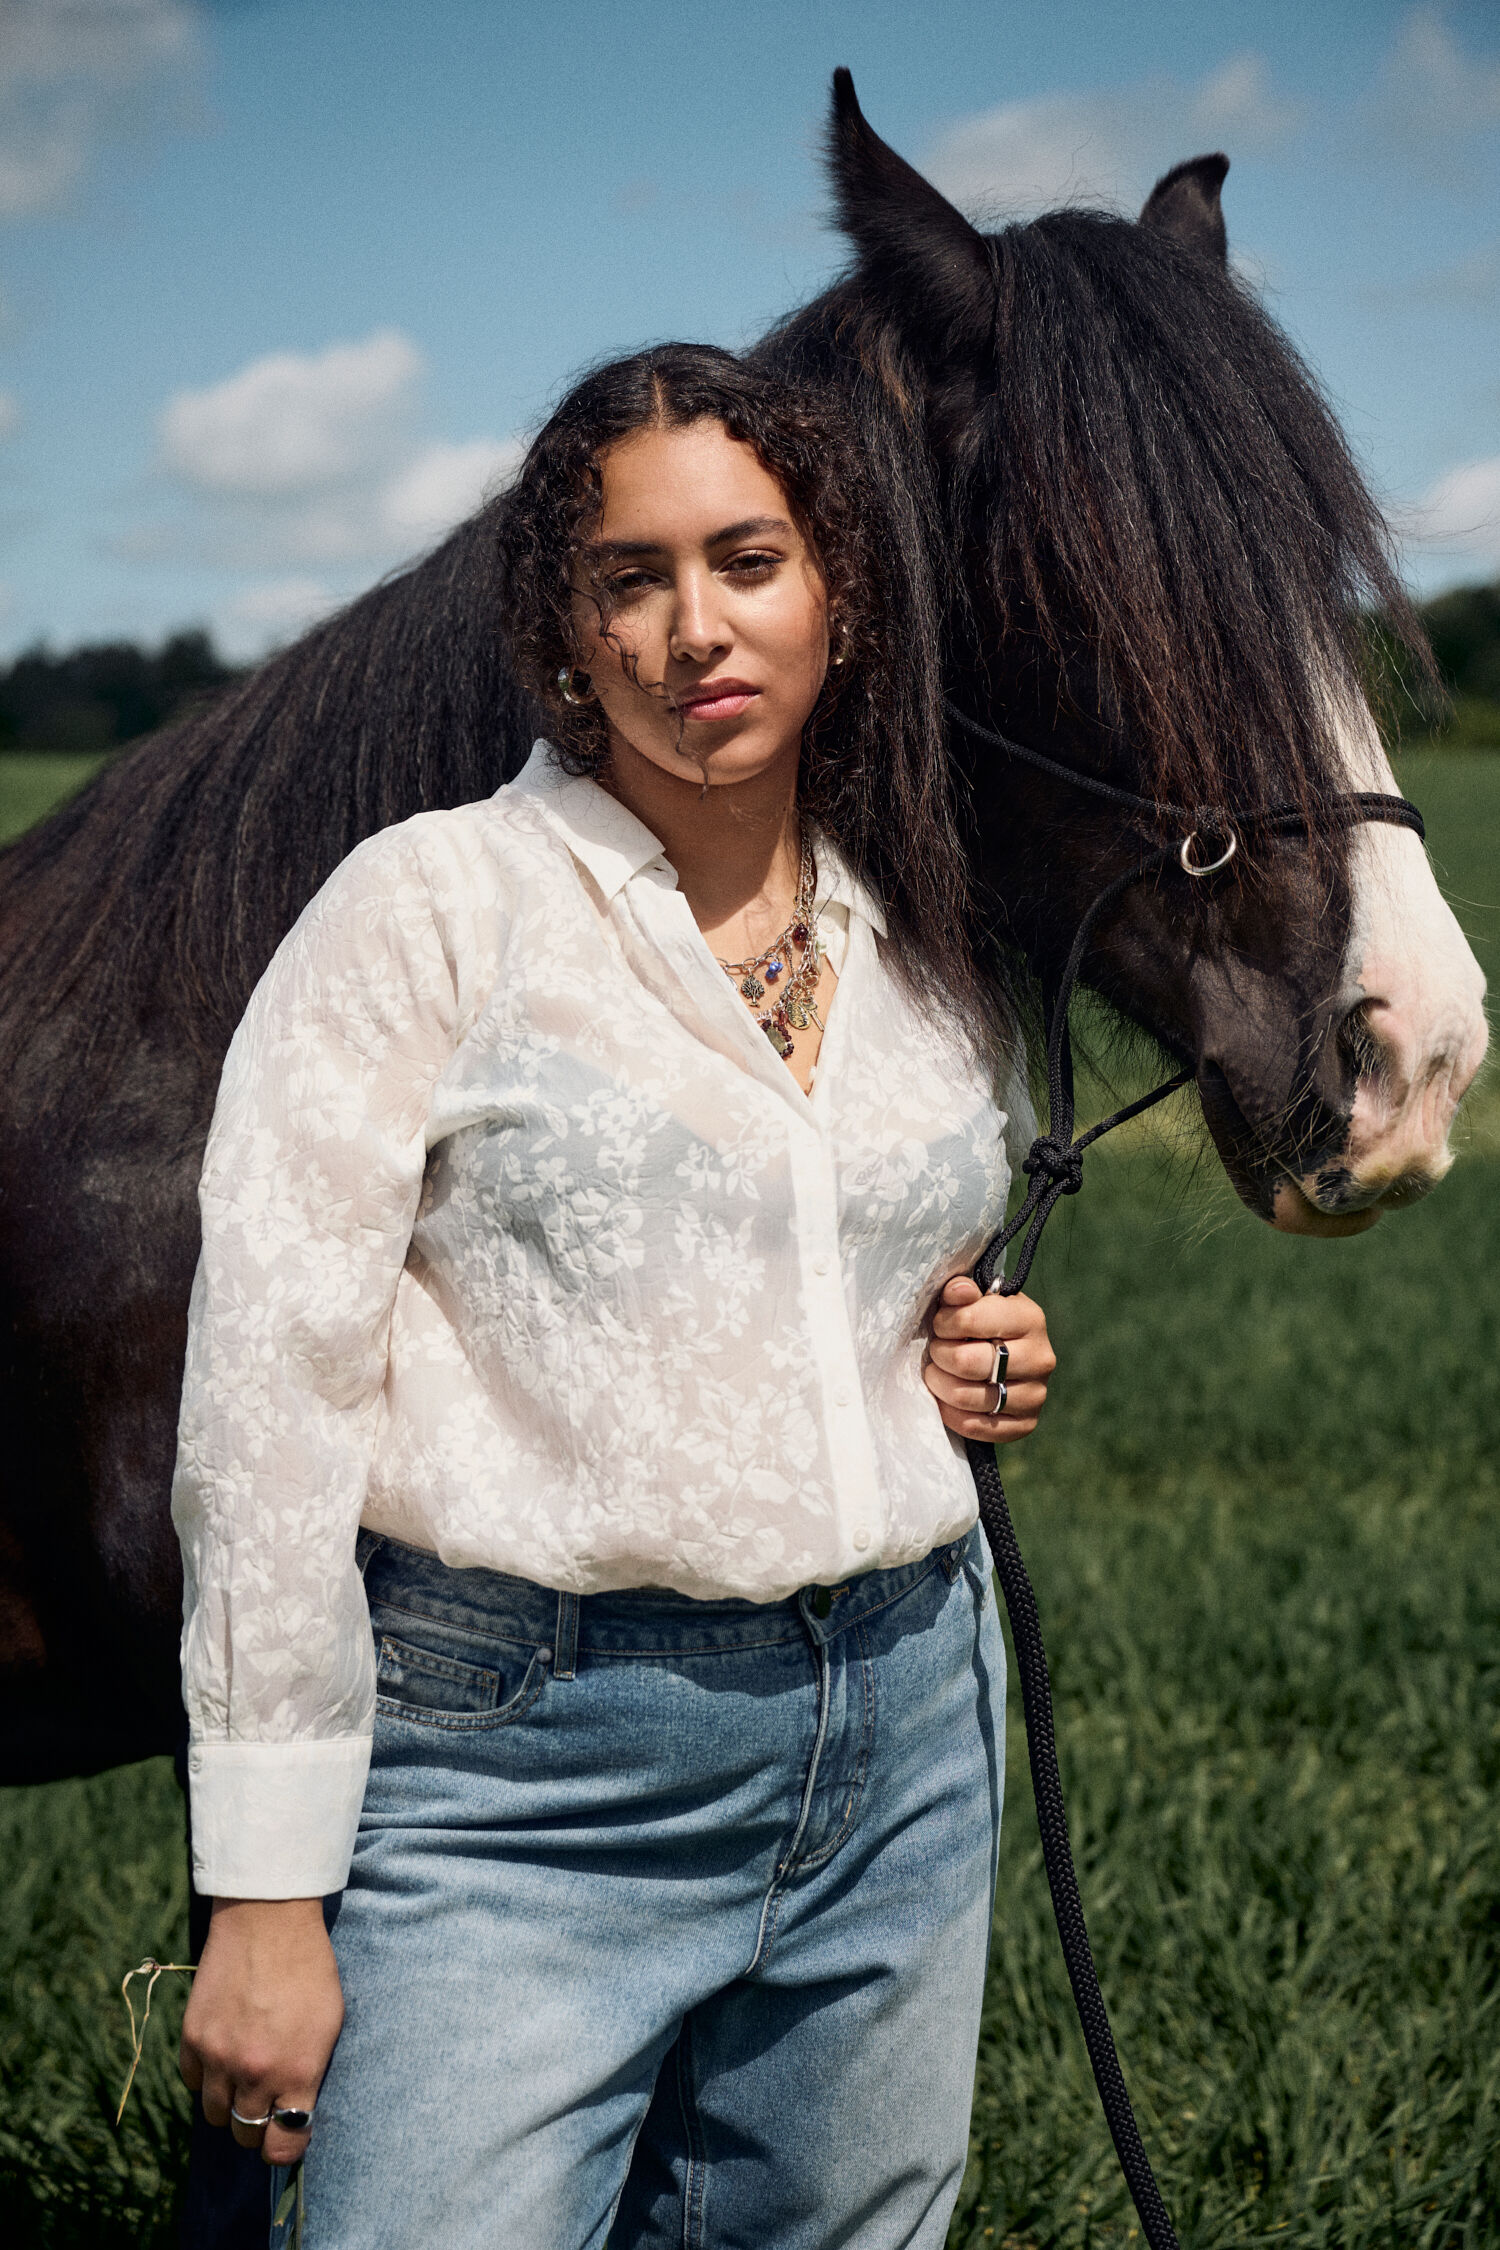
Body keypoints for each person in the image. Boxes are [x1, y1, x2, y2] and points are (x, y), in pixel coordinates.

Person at [172, 342, 1055, 2249]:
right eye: (627, 578)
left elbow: (885, 1267)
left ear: (837, 586)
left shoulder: (922, 929)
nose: (692, 628)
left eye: (747, 559)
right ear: (563, 629)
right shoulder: (427, 910)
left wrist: (962, 1351)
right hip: (521, 1777)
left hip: (907, 1728)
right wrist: (259, 1892)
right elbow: (265, 1406)